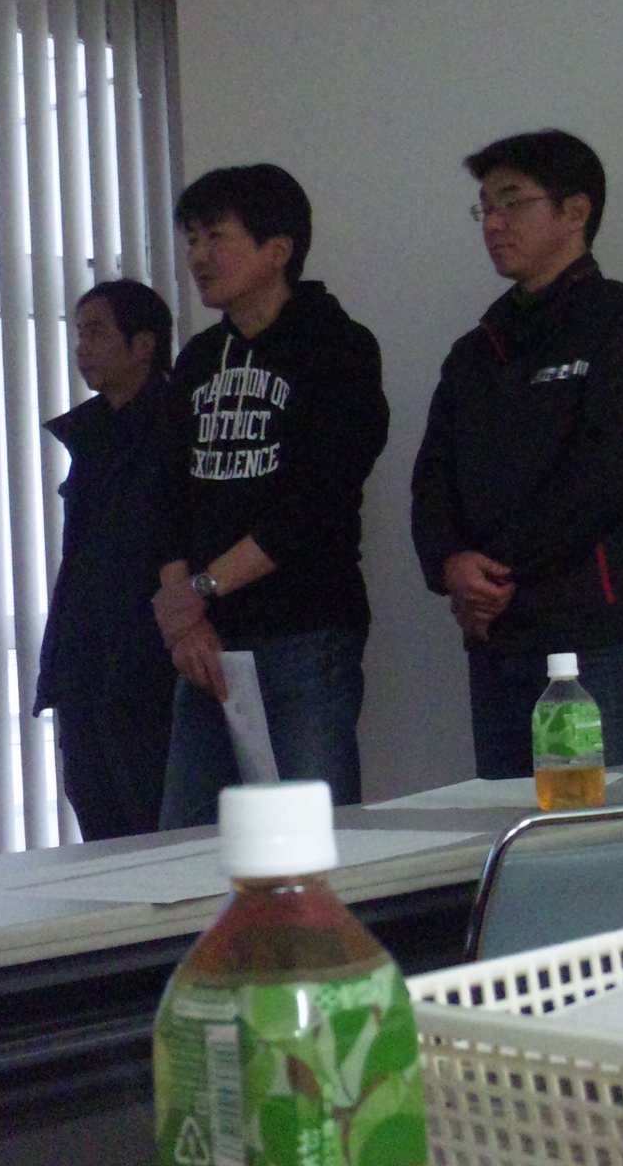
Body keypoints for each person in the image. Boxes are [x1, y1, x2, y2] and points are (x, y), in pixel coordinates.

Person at [411, 129, 623, 778]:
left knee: (602, 825)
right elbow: (433, 481)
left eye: (513, 202)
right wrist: (450, 564)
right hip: (497, 640)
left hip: (596, 642)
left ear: (575, 211)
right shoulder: (476, 350)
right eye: (485, 207)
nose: (494, 223)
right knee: (512, 827)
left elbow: (609, 475)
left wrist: (495, 569)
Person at [149, 164, 389, 828]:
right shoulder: (199, 359)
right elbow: (165, 494)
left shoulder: (338, 347)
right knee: (187, 845)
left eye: (216, 237)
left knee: (310, 841)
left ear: (277, 249)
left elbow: (315, 502)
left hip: (303, 633)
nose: (198, 256)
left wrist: (197, 593)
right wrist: (186, 613)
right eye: (192, 239)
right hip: (208, 642)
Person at [32, 278, 176, 839]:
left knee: (156, 830)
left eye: (95, 332)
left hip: (147, 670)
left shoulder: (174, 427)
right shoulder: (91, 435)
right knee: (100, 830)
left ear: (143, 344)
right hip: (85, 668)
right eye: (78, 333)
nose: (81, 348)